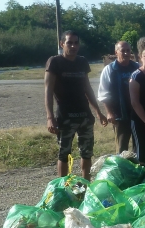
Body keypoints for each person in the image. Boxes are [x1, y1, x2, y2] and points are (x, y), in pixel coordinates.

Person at [44, 30, 107, 179]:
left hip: (84, 115)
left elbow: (87, 88)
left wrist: (98, 111)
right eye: (69, 43)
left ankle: (86, 184)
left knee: (87, 153)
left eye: (76, 43)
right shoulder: (54, 62)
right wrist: (50, 117)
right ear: (62, 44)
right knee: (64, 153)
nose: (73, 46)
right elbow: (48, 90)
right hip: (65, 116)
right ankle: (62, 186)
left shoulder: (82, 62)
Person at [97, 41, 139, 153]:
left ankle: (138, 164)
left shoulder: (137, 67)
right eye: (123, 51)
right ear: (116, 52)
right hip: (119, 115)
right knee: (121, 147)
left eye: (128, 51)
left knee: (139, 145)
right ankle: (121, 164)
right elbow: (104, 93)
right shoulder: (109, 70)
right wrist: (109, 113)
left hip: (137, 115)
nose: (126, 53)